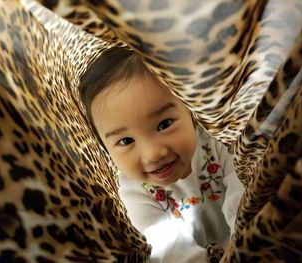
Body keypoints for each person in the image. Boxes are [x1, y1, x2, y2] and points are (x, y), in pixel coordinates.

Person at [79, 46, 244, 262]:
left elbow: (244, 196)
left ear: (190, 111)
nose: (153, 154)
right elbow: (168, 249)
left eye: (164, 124)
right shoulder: (133, 192)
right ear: (105, 148)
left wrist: (241, 246)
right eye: (126, 141)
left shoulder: (218, 142)